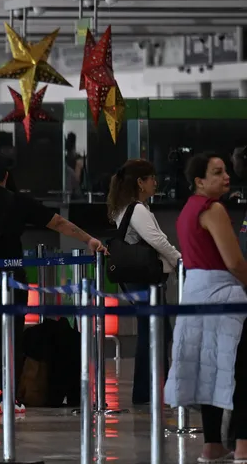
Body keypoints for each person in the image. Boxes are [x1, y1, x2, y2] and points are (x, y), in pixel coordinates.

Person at [0, 151, 105, 415]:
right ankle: (10, 395)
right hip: (13, 280)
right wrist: (88, 239)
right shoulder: (17, 201)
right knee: (12, 337)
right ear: (6, 176)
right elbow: (57, 222)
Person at [166, 153, 247, 462]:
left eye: (225, 170)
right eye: (217, 172)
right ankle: (243, 444)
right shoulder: (213, 210)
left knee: (210, 370)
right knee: (241, 371)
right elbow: (234, 262)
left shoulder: (187, 211)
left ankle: (212, 444)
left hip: (196, 295)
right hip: (224, 296)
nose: (225, 176)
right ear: (199, 180)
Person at [107, 159, 180, 405]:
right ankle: (151, 393)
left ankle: (148, 392)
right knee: (155, 335)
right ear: (140, 182)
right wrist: (180, 260)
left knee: (154, 333)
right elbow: (157, 240)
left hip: (136, 280)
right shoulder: (136, 209)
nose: (155, 182)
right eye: (151, 178)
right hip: (145, 279)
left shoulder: (126, 207)